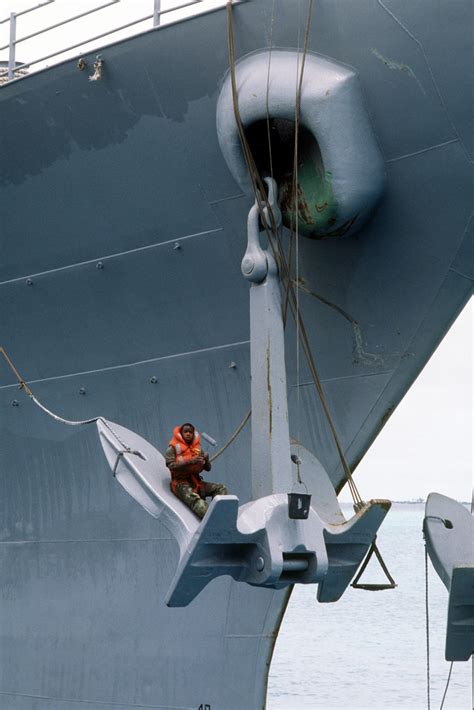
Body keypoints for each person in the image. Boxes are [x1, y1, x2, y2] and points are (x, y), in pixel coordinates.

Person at [165, 423, 227, 519]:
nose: (188, 434)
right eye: (186, 432)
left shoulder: (197, 449)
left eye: (190, 432)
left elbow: (208, 468)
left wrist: (206, 460)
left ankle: (221, 515)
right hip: (180, 483)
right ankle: (211, 519)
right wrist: (190, 461)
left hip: (196, 481)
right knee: (198, 503)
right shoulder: (173, 448)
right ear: (181, 434)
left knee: (220, 488)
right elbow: (170, 465)